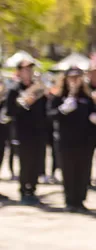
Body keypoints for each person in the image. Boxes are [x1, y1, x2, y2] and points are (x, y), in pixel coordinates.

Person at [47, 67, 96, 212]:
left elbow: (94, 114)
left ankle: (80, 200)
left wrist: (95, 117)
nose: (74, 80)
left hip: (84, 141)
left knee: (83, 171)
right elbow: (50, 116)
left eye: (77, 77)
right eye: (71, 77)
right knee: (68, 171)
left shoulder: (86, 98)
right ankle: (69, 201)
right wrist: (62, 110)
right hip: (65, 141)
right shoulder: (58, 97)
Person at [4, 60, 48, 204]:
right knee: (25, 163)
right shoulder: (14, 90)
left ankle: (32, 190)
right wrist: (23, 104)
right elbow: (9, 112)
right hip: (22, 133)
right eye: (24, 70)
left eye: (30, 70)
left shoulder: (38, 89)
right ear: (19, 72)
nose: (28, 72)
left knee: (36, 162)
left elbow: (45, 111)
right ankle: (24, 190)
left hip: (38, 133)